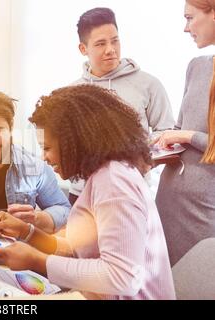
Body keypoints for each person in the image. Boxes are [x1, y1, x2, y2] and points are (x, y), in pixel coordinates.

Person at [0, 85, 176, 300]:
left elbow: (123, 277)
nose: (44, 157)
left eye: (47, 148)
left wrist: (39, 261)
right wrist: (27, 232)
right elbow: (79, 251)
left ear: (73, 143)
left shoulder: (114, 182)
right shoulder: (104, 176)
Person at [68, 7, 175, 205]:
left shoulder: (148, 84)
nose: (111, 49)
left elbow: (167, 135)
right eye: (100, 44)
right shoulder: (72, 93)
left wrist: (142, 162)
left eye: (115, 40)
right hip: (82, 195)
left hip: (131, 191)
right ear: (83, 49)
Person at [153, 0, 215, 266]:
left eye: (190, 18)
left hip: (203, 211)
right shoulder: (197, 66)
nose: (185, 27)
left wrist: (186, 137)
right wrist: (158, 147)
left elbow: (186, 134)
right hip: (168, 199)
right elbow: (179, 127)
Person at [0, 89, 70, 234]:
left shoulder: (36, 167)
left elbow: (63, 209)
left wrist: (38, 219)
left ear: (11, 127)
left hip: (18, 252)